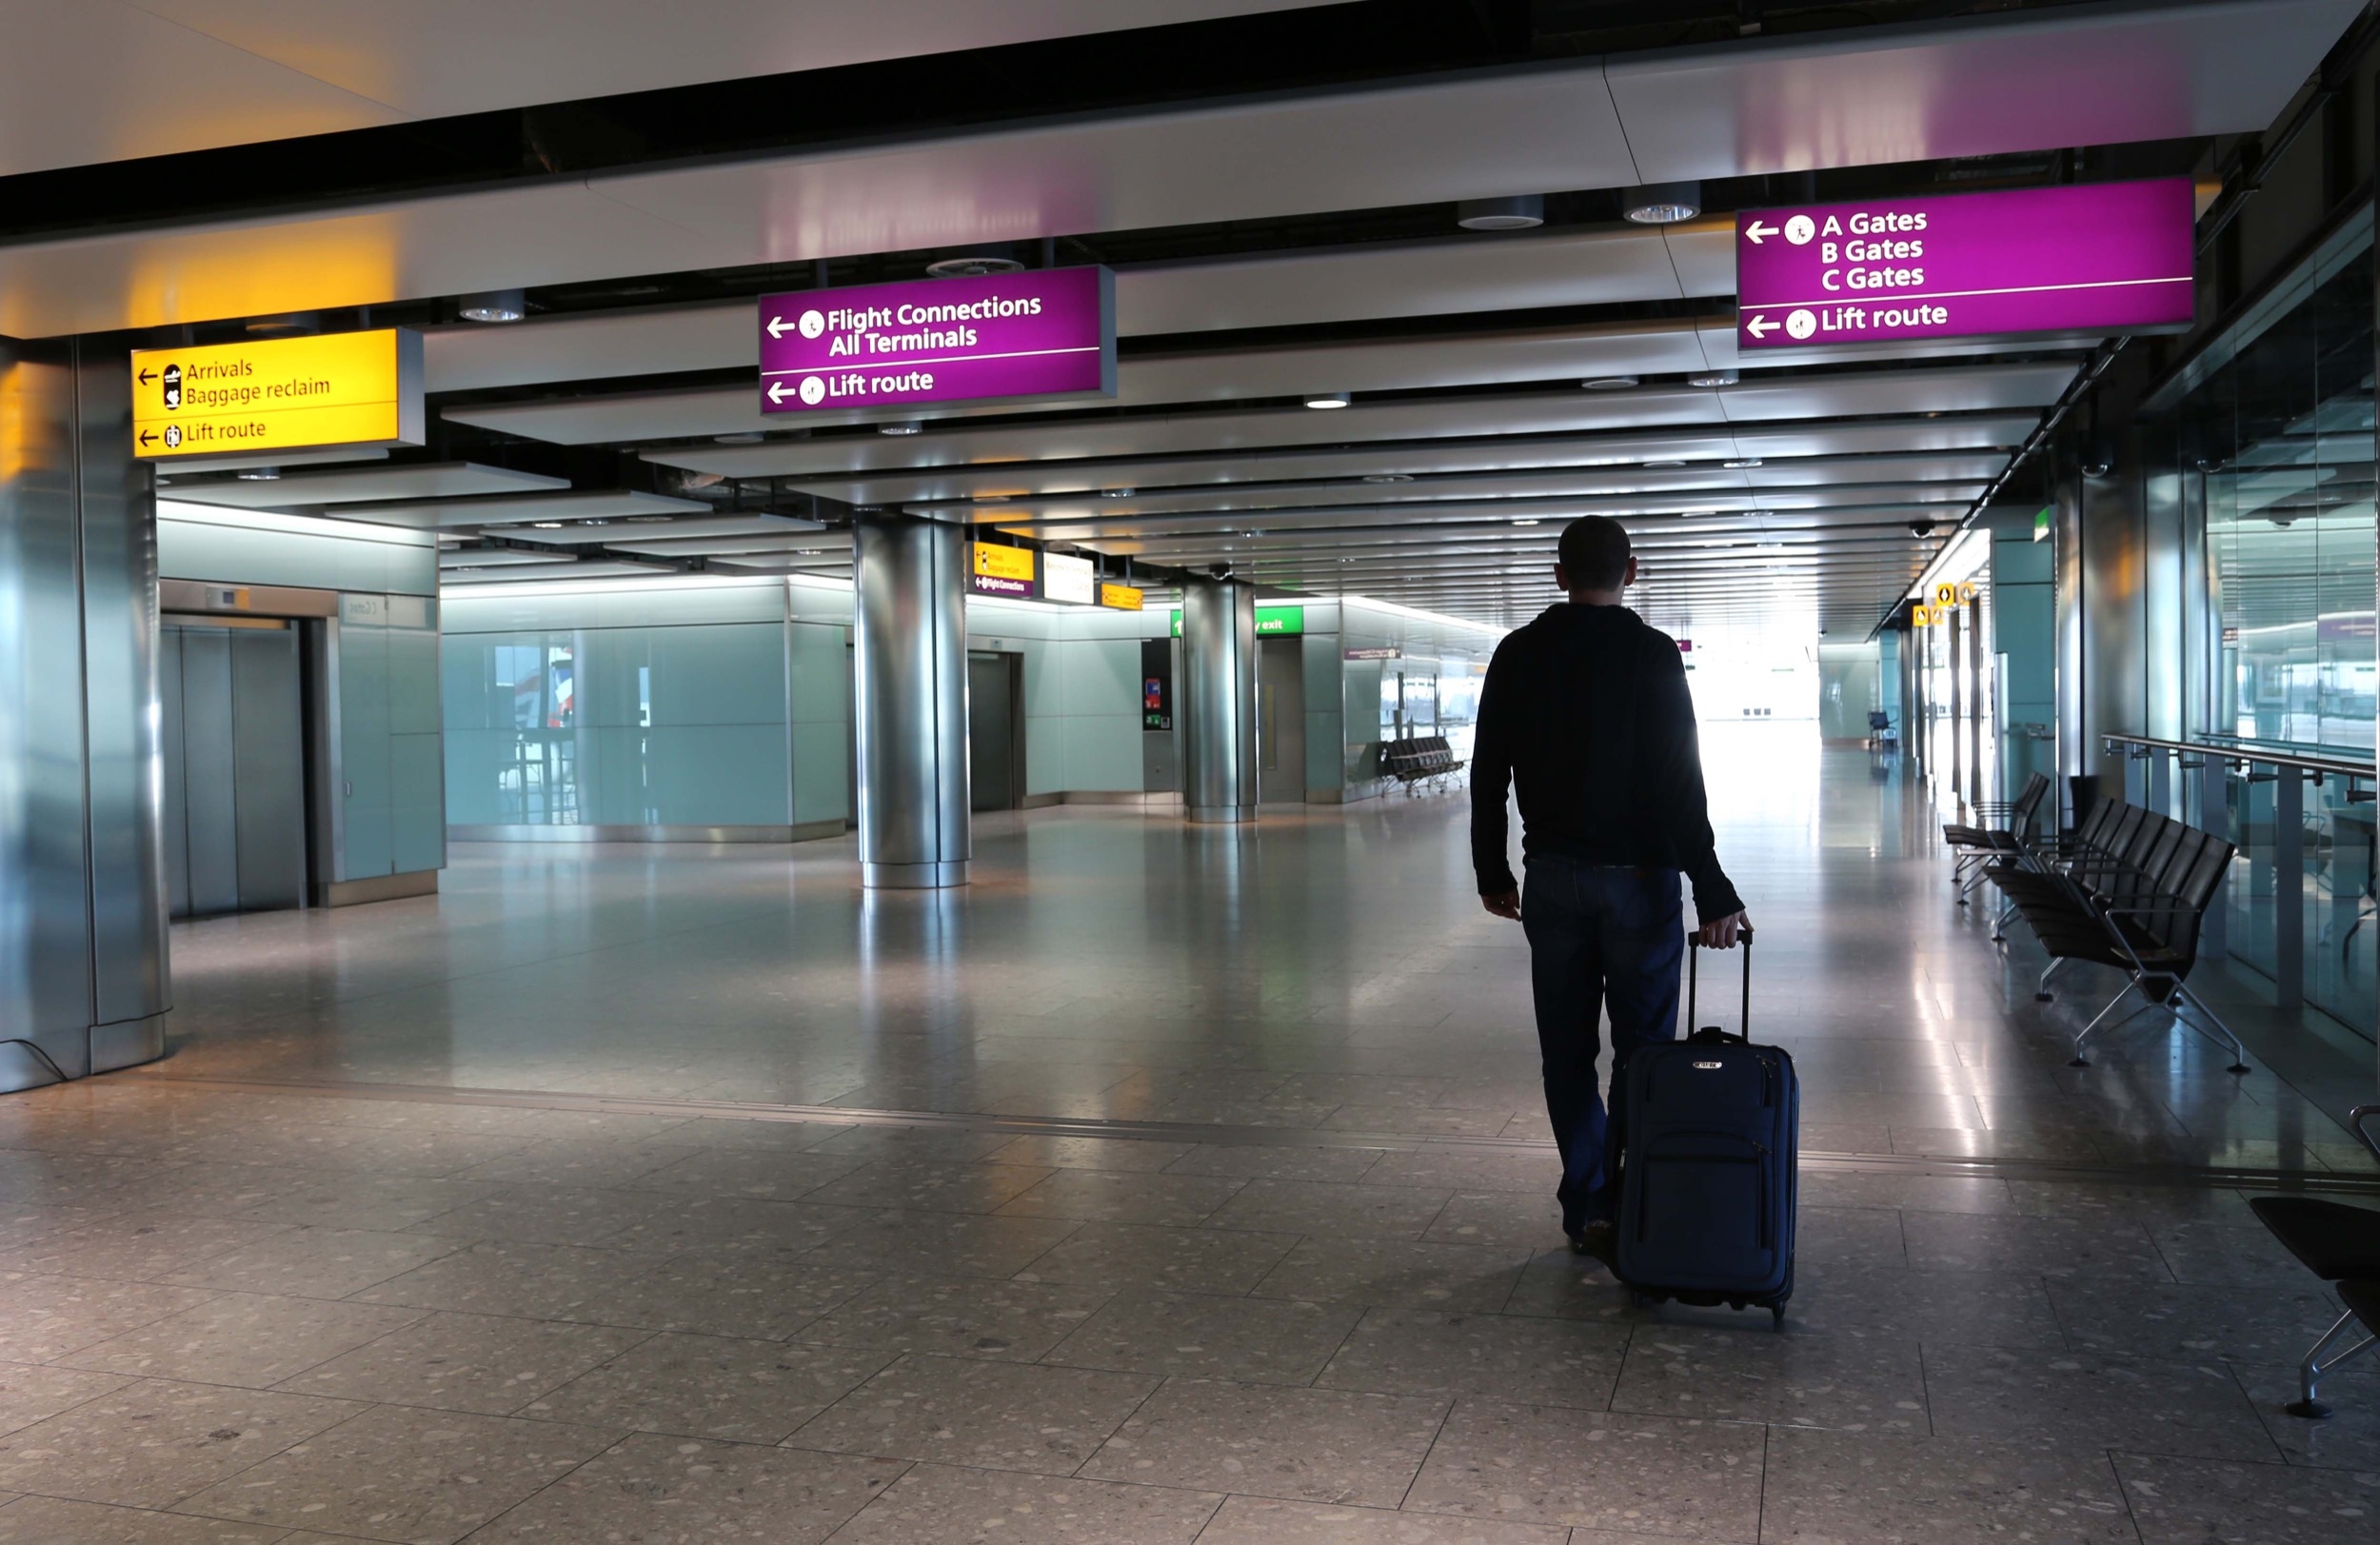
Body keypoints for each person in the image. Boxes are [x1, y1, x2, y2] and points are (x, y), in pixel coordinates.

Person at [1471, 514, 1749, 1253]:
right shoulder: (1653, 654)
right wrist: (1712, 886)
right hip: (1641, 883)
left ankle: (1589, 1200)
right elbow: (1679, 780)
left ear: (1558, 574)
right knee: (1643, 1048)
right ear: (1633, 570)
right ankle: (1632, 1192)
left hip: (1554, 881)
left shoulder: (1517, 653)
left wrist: (1490, 870)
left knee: (1565, 1051)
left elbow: (1487, 773)